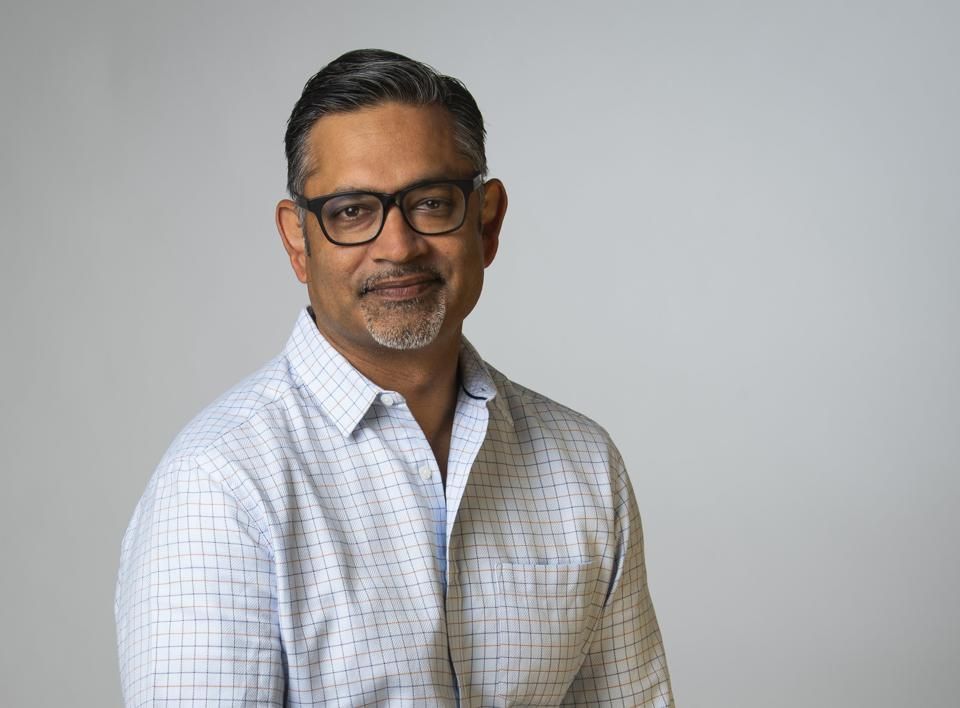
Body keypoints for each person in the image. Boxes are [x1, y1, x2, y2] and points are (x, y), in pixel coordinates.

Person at [115, 48, 674, 707]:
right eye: (352, 211)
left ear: (487, 221)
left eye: (431, 202)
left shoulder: (583, 467)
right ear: (298, 240)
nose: (398, 246)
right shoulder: (220, 486)